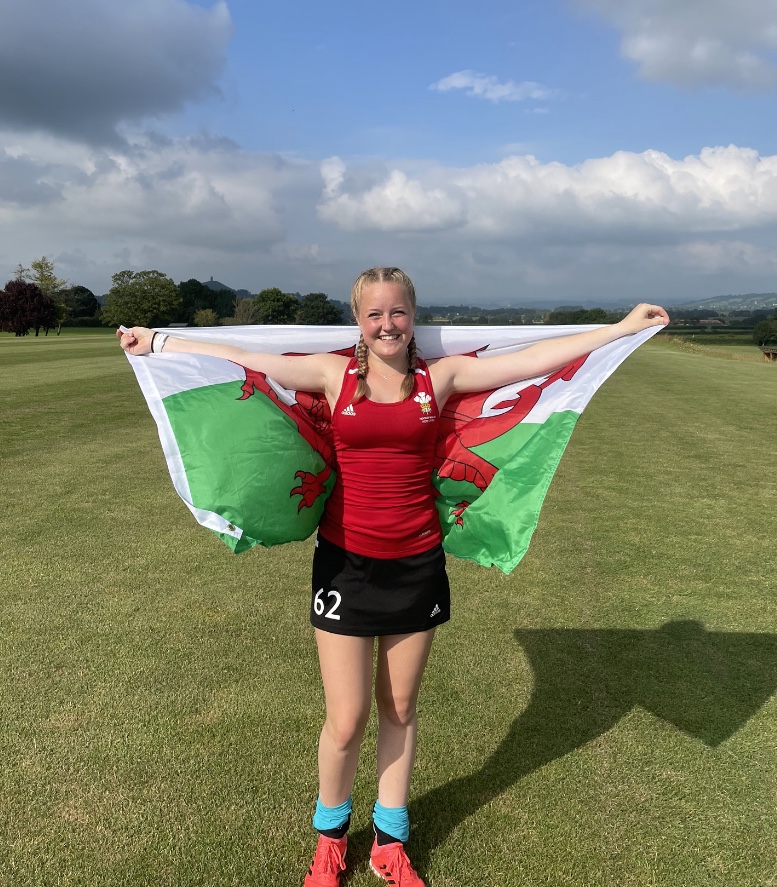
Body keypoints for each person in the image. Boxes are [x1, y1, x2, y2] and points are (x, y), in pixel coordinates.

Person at [118, 267, 669, 886]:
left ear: (413, 317)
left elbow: (534, 359)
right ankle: (329, 840)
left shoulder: (442, 379)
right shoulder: (334, 377)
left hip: (417, 565)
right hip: (345, 564)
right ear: (359, 321)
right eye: (374, 314)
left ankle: (389, 841)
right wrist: (162, 343)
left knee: (400, 706)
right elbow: (245, 357)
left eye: (398, 313)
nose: (387, 324)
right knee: (347, 717)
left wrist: (620, 328)